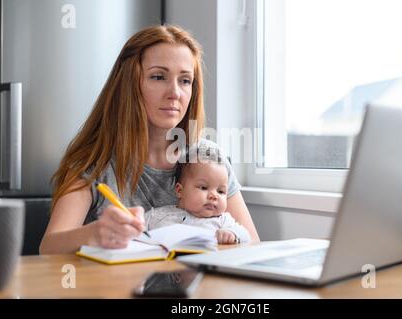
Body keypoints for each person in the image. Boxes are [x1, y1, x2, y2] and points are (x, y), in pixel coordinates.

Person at [40, 25, 260, 254]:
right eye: (158, 77)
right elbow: (48, 247)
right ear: (129, 84)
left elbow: (253, 244)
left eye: (185, 81)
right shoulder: (93, 163)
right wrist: (94, 233)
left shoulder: (209, 158)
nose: (175, 92)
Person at [144, 146, 251, 244]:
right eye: (203, 188)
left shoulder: (223, 221)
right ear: (180, 190)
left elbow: (246, 236)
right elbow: (137, 229)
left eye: (221, 191)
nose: (214, 196)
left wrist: (232, 234)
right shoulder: (157, 216)